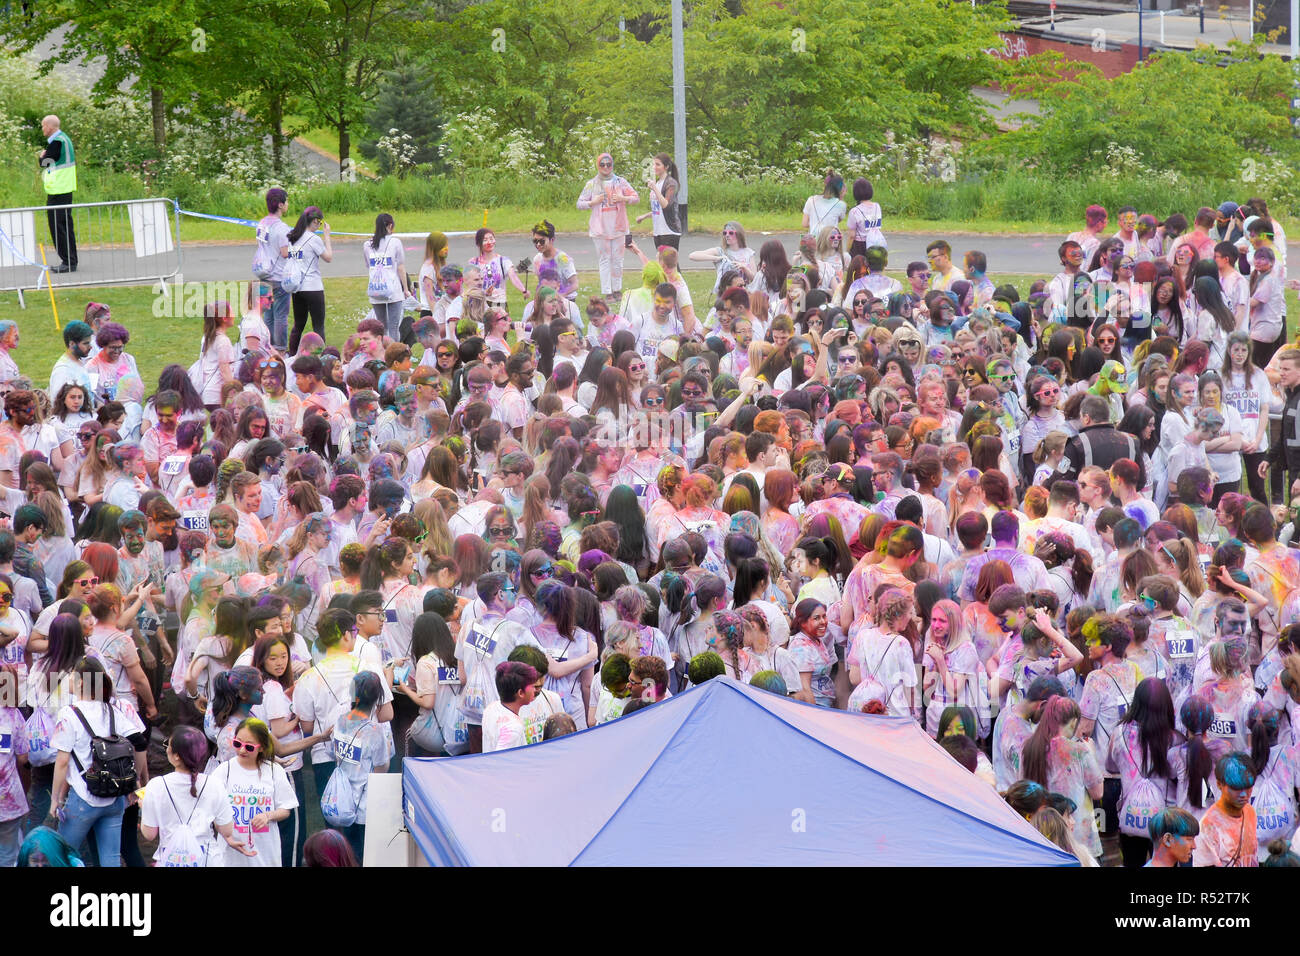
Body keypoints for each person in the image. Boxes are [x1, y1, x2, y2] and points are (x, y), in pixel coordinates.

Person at [50, 656, 145, 867]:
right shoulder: (111, 710)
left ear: (82, 681)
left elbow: (62, 761)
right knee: (110, 860)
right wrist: (135, 780)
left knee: (61, 855)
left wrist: (55, 799)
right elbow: (139, 742)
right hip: (115, 799)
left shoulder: (69, 713)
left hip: (84, 798)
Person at [577, 153, 639, 299]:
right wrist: (593, 202)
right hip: (600, 229)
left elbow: (636, 197)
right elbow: (579, 203)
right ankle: (607, 292)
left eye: (608, 164)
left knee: (618, 259)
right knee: (605, 259)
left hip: (619, 227)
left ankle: (617, 289)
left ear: (612, 165)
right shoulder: (591, 184)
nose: (605, 167)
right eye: (602, 164)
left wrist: (623, 198)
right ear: (598, 165)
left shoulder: (620, 182)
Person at [1193, 752, 1259, 867]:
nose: (1244, 794)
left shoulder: (1249, 811)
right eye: (1236, 788)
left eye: (1248, 787)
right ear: (1219, 784)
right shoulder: (1207, 827)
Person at [285, 206, 333, 354]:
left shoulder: (292, 237)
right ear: (313, 221)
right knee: (318, 326)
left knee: (298, 324)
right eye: (318, 222)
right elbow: (328, 257)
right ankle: (321, 358)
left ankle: (291, 355)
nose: (319, 226)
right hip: (313, 287)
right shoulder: (313, 239)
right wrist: (327, 236)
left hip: (297, 287)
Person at [363, 213, 413, 341]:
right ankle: (393, 353)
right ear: (390, 226)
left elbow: (369, 266)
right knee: (393, 327)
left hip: (376, 288)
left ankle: (382, 351)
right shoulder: (395, 242)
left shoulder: (367, 245)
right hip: (393, 289)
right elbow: (400, 267)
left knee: (381, 326)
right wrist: (406, 289)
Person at [38, 115, 77, 273]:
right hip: (64, 188)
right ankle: (71, 260)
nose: (42, 129)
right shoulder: (64, 138)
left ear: (49, 126)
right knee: (66, 226)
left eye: (43, 126)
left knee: (58, 227)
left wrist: (41, 157)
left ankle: (67, 262)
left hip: (58, 190)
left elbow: (45, 162)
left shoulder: (56, 142)